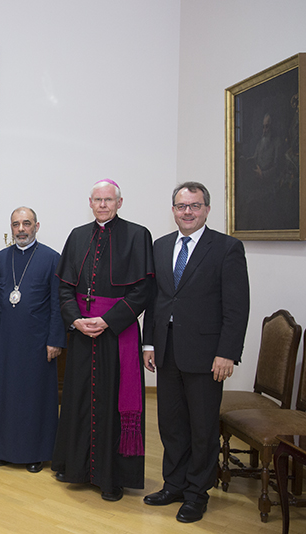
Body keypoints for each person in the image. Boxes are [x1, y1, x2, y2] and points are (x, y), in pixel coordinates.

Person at [142, 182, 250, 523]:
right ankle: (173, 485)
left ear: (207, 209)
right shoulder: (161, 246)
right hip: (167, 350)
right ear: (173, 210)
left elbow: (236, 308)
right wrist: (149, 343)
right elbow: (156, 300)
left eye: (195, 205)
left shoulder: (227, 248)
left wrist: (227, 353)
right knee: (171, 424)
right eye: (181, 206)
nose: (187, 212)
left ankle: (196, 494)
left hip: (207, 355)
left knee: (202, 428)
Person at [52, 179, 154, 501]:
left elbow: (143, 291)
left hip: (117, 334)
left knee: (112, 402)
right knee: (79, 399)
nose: (103, 205)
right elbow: (64, 288)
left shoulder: (137, 235)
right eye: (97, 200)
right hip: (83, 332)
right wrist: (76, 320)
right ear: (90, 203)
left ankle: (112, 477)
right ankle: (76, 468)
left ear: (119, 203)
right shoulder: (77, 236)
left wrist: (108, 320)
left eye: (109, 200)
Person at [0, 207, 66, 473]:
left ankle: (35, 452)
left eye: (26, 223)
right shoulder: (1, 258)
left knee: (34, 397)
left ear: (36, 226)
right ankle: (2, 450)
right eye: (16, 224)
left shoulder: (52, 258)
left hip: (38, 343)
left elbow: (57, 304)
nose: (21, 229)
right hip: (6, 341)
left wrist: (55, 339)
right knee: (5, 395)